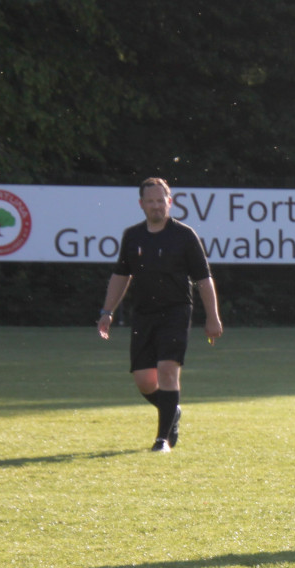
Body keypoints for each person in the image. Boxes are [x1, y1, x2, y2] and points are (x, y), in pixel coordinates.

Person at [96, 177, 223, 453]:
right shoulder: (133, 236)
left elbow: (203, 278)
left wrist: (213, 316)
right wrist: (107, 311)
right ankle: (172, 409)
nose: (156, 206)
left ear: (170, 201)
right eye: (150, 201)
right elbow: (121, 275)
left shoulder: (184, 235)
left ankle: (162, 440)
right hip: (144, 314)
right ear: (141, 204)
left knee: (167, 370)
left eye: (160, 200)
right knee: (144, 381)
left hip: (176, 311)